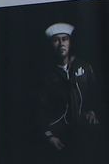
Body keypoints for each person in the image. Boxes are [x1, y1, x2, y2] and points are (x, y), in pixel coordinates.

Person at [38, 22, 99, 152]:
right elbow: (40, 110)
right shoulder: (46, 76)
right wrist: (49, 136)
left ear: (70, 42)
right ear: (51, 44)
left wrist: (92, 111)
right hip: (60, 135)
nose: (61, 44)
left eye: (64, 39)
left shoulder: (84, 67)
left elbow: (95, 93)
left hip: (86, 133)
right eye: (56, 40)